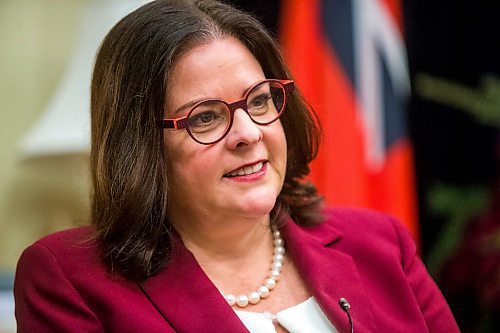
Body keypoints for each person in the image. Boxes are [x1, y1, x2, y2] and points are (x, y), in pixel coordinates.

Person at [14, 0, 460, 332]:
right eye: (205, 117)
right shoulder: (69, 280)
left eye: (259, 100)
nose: (249, 132)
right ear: (143, 145)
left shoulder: (381, 244)